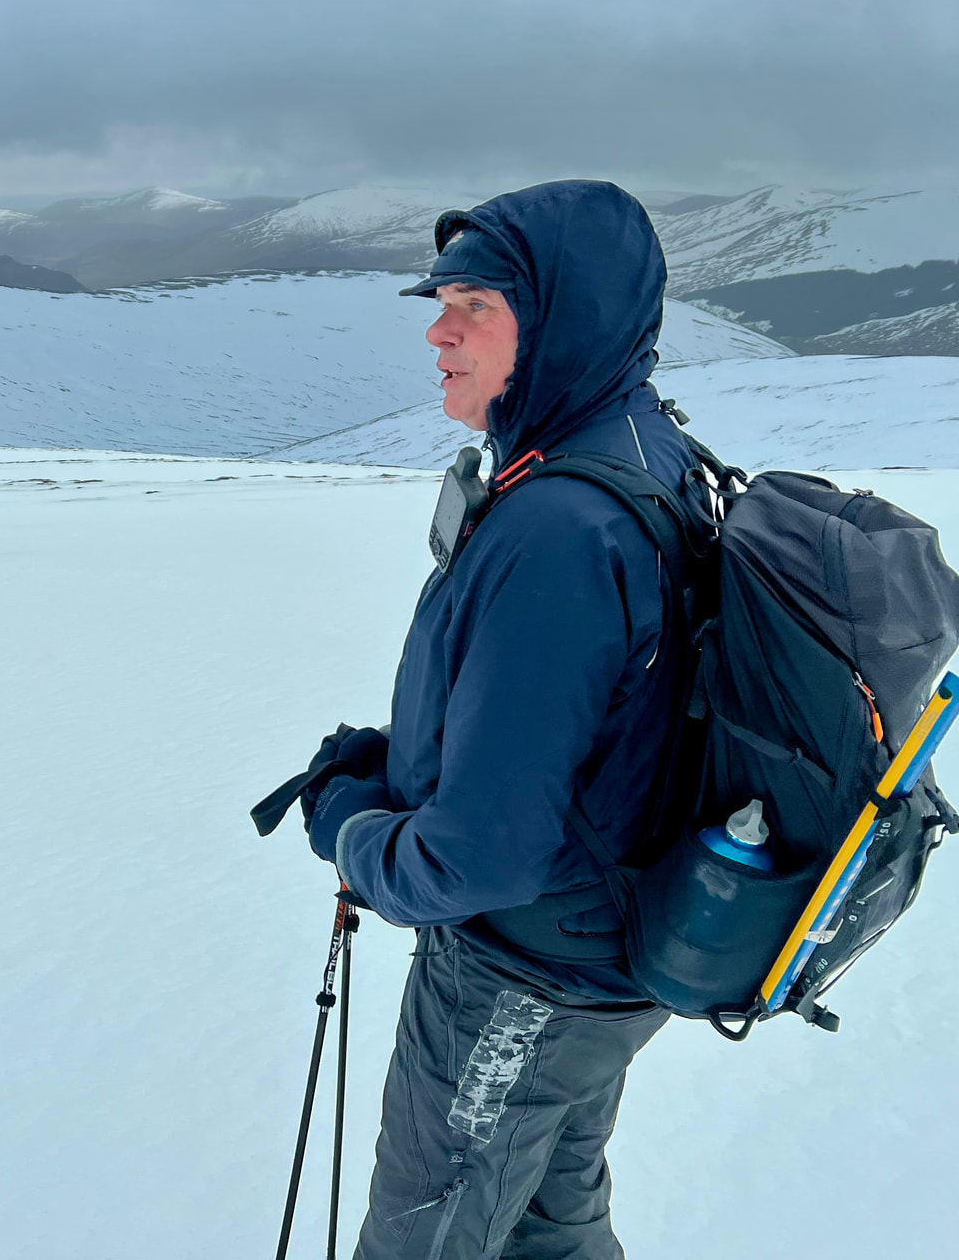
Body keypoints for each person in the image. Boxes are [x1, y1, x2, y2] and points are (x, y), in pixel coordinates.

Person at [300, 179, 695, 1259]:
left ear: (558, 319)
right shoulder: (636, 451)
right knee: (544, 1235)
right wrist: (404, 767)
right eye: (442, 300)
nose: (438, 329)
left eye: (475, 304)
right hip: (601, 964)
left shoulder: (561, 526)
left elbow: (483, 861)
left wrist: (352, 831)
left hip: (521, 980)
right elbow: (606, 717)